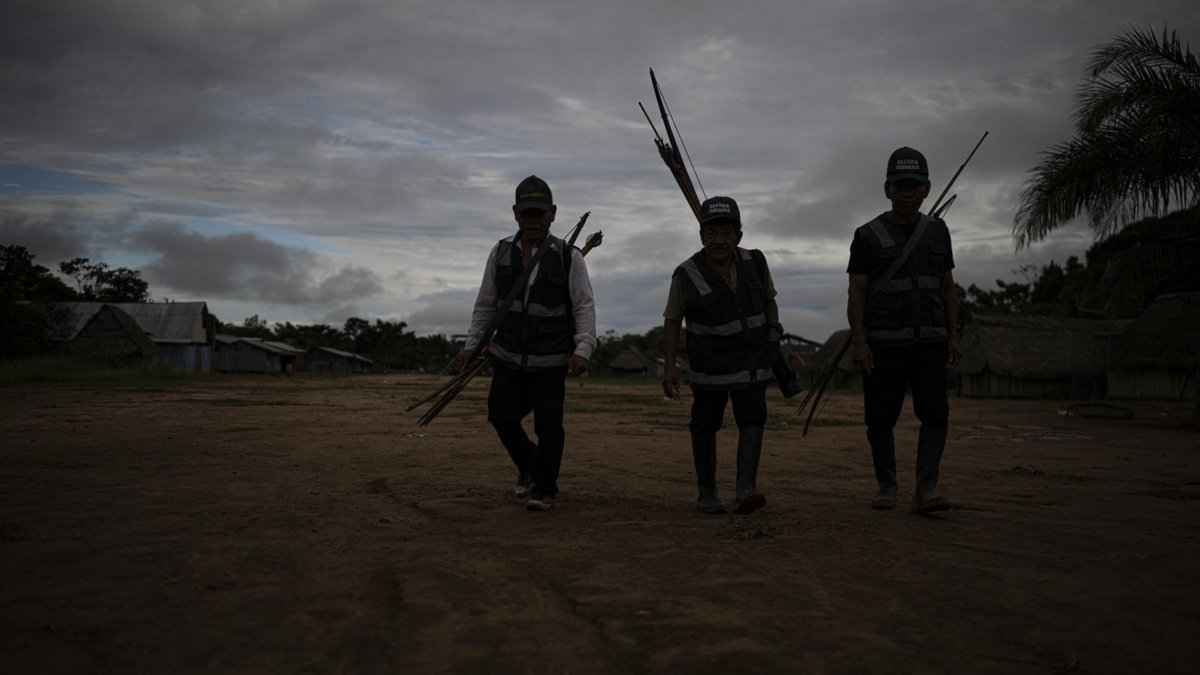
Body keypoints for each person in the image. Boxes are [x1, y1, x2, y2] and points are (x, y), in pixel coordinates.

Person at [464, 175, 597, 511]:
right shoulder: (501, 252)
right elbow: (485, 303)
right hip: (507, 354)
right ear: (515, 214)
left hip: (551, 358)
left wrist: (583, 349)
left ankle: (544, 488)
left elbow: (584, 305)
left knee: (549, 424)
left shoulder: (569, 256)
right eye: (526, 214)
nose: (533, 220)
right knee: (500, 415)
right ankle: (531, 465)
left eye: (539, 213)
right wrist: (472, 343)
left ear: (552, 213)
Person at [846, 147, 961, 513]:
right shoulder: (866, 235)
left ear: (926, 189)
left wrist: (953, 335)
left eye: (915, 185)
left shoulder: (938, 232)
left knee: (936, 414)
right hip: (883, 344)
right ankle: (887, 486)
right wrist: (860, 342)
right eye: (900, 185)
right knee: (880, 419)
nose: (908, 192)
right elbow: (857, 292)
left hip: (930, 342)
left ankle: (925, 490)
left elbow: (947, 288)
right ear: (887, 189)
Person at [662, 196, 783, 515]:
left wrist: (773, 331)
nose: (719, 240)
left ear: (738, 236)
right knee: (704, 426)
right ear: (701, 237)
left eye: (726, 232)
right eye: (711, 233)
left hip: (752, 365)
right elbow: (672, 320)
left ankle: (745, 490)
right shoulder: (686, 273)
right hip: (709, 367)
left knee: (753, 421)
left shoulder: (755, 262)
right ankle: (708, 494)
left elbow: (770, 300)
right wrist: (670, 368)